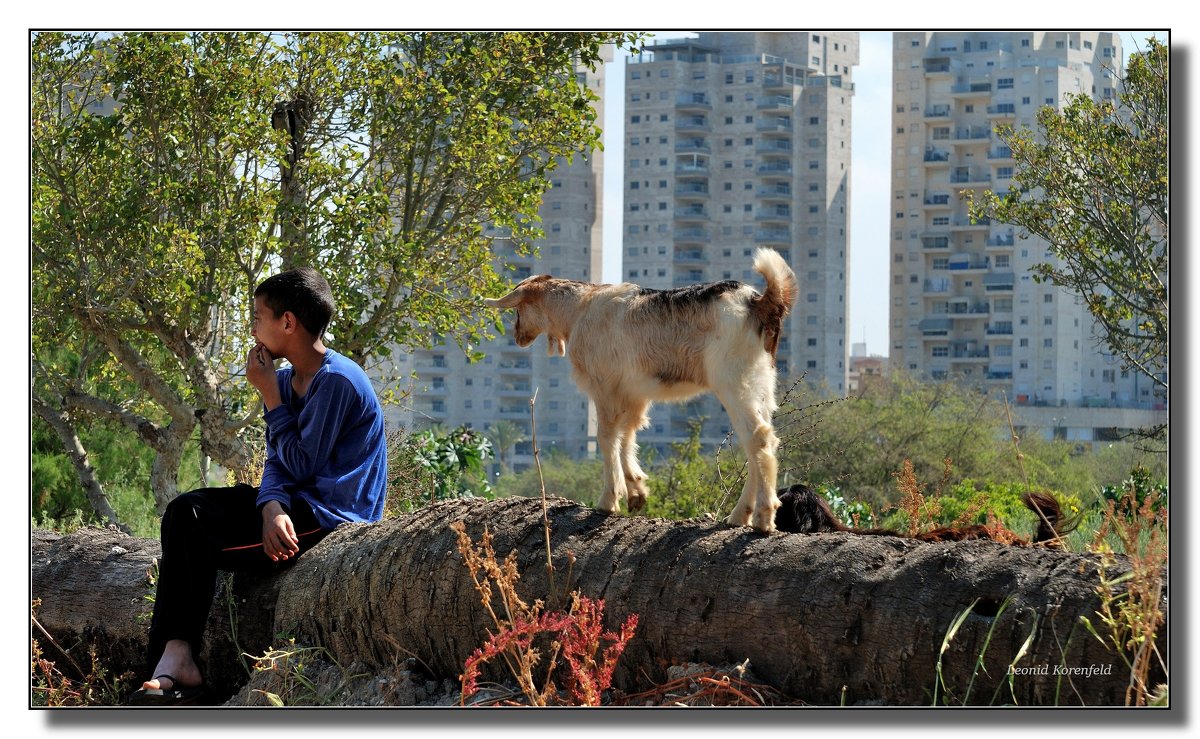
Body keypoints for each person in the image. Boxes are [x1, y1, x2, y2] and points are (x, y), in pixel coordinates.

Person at [130, 267, 388, 705]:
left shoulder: (338, 381)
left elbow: (304, 464)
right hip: (290, 507)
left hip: (330, 518)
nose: (252, 326)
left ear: (287, 322)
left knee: (194, 543)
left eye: (257, 316)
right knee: (183, 511)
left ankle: (171, 670)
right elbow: (279, 463)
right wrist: (270, 504)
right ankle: (175, 661)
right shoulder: (288, 380)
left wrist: (270, 398)